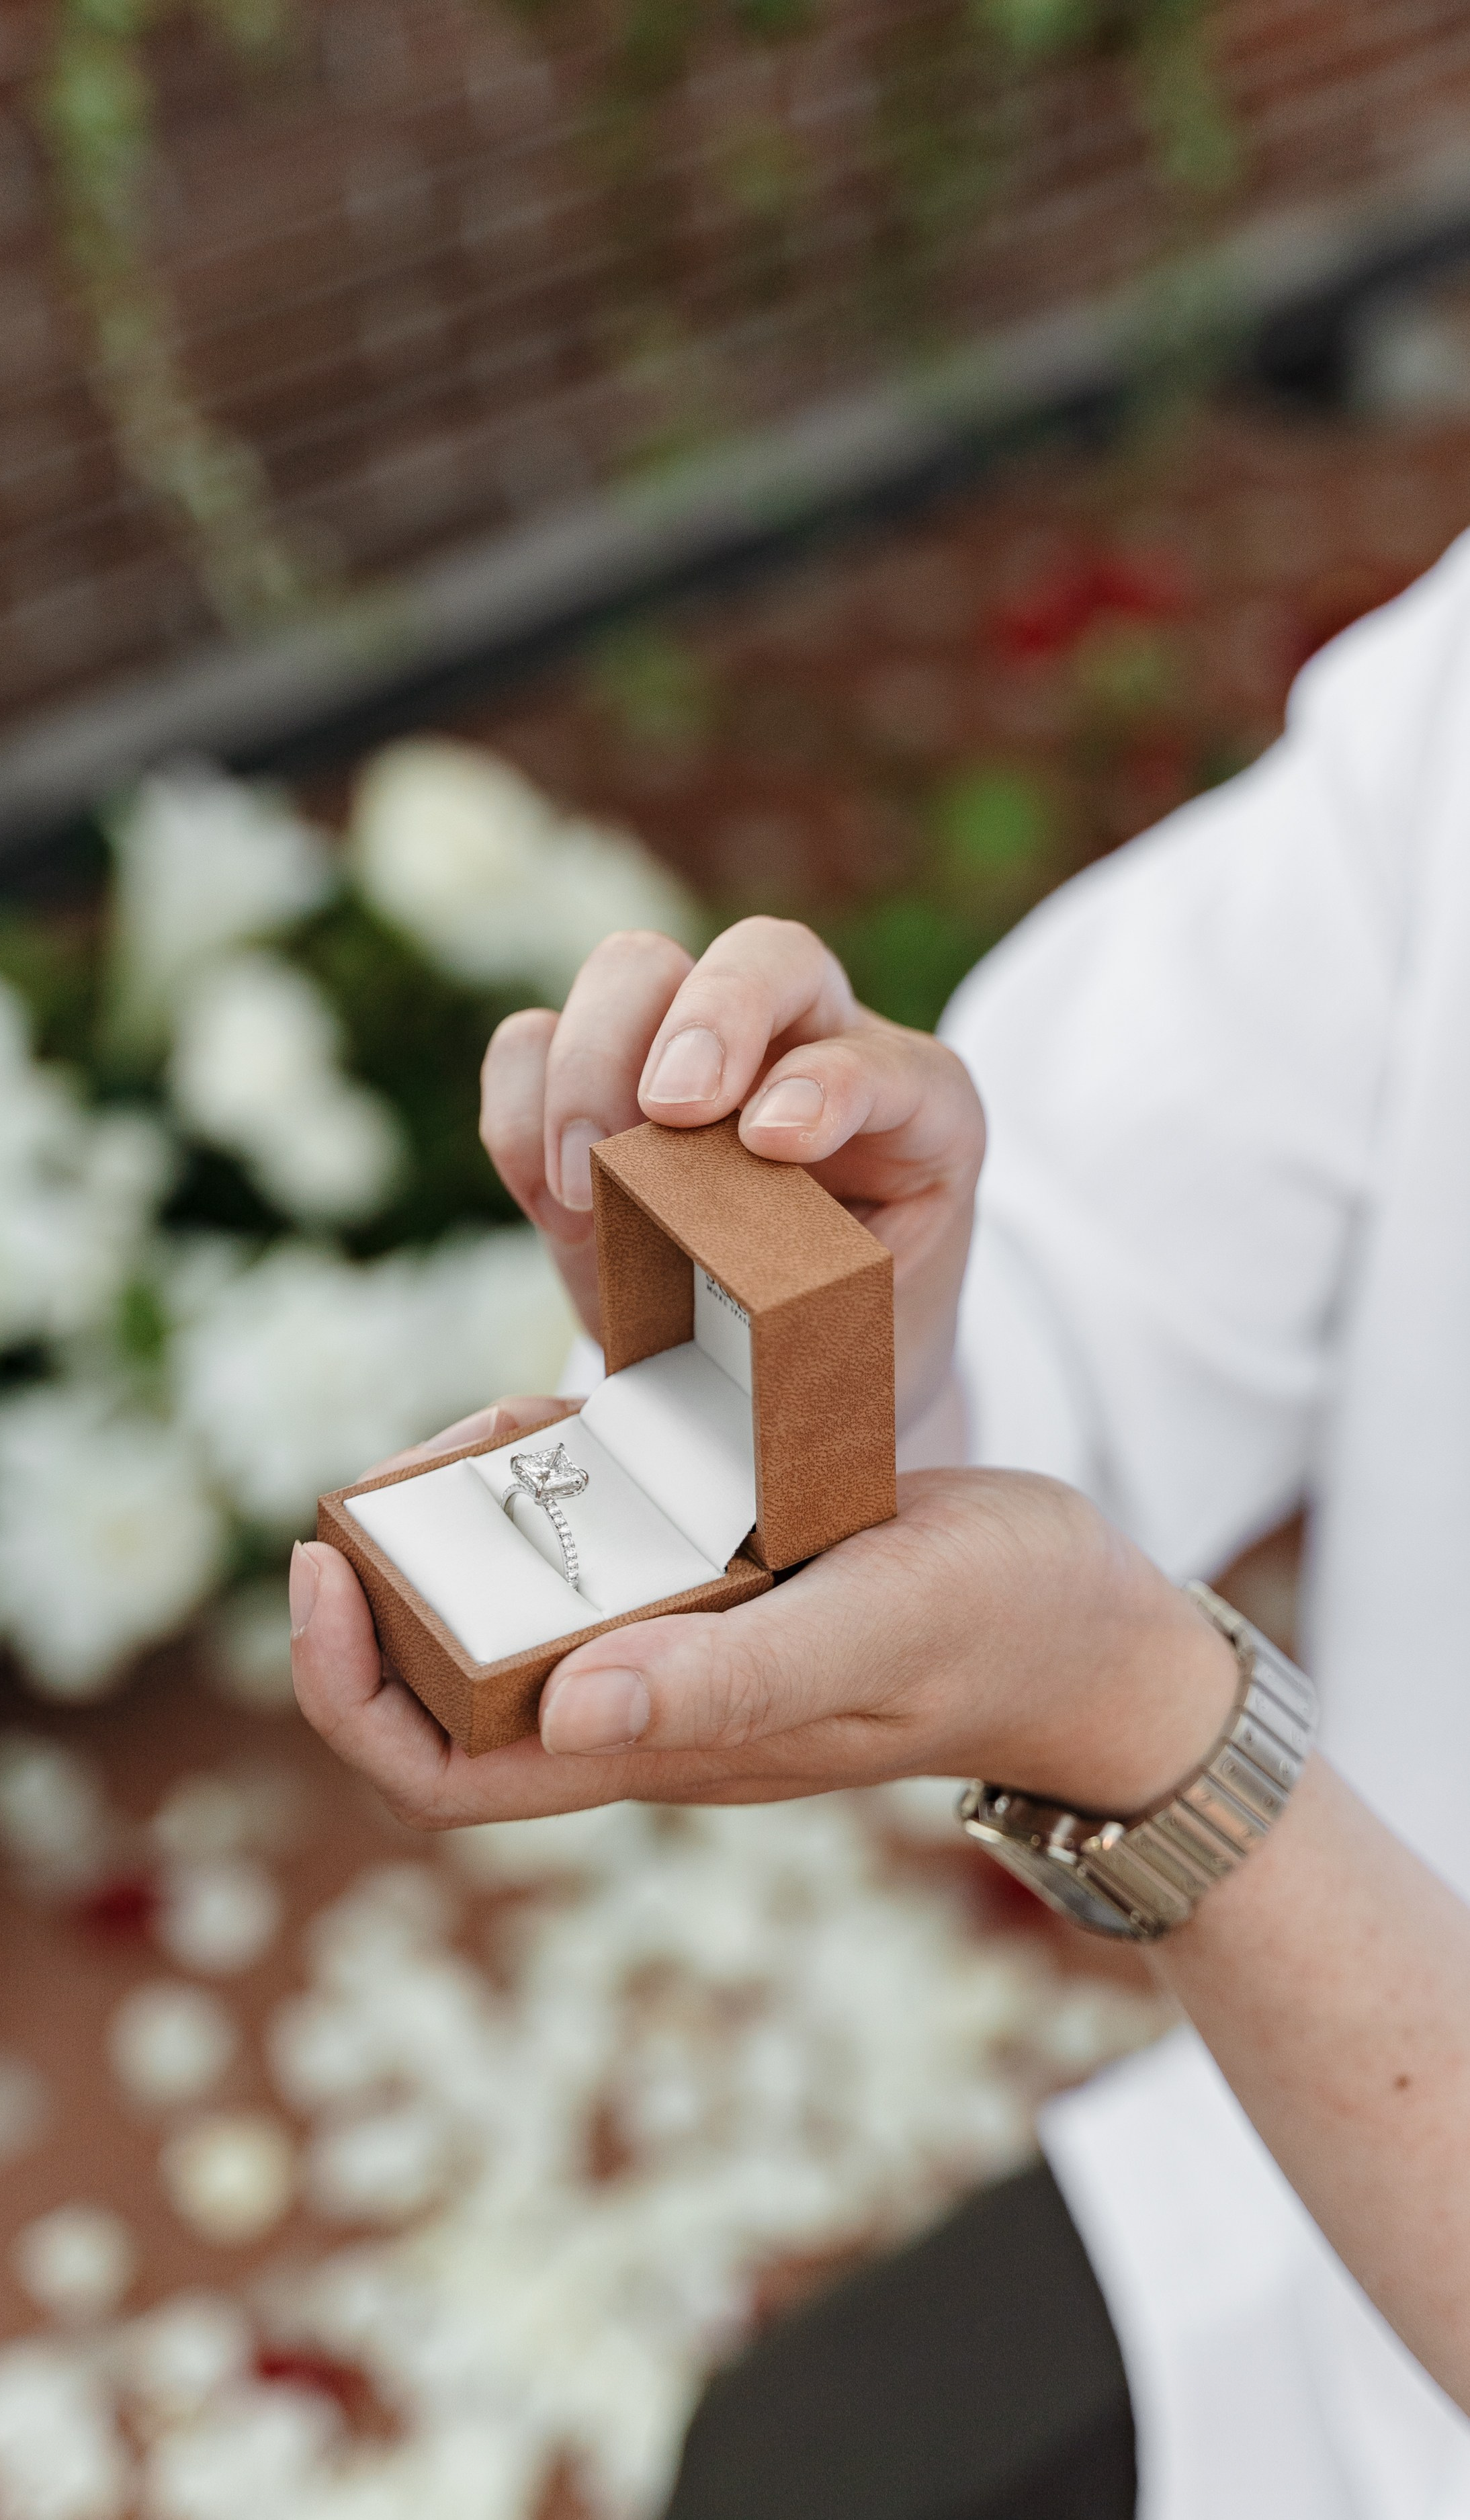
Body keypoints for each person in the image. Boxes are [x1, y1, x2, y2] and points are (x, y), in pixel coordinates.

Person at [290, 530, 1470, 2519]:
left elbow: (1110, 1678)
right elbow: (1129, 1231)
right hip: (1296, 2165)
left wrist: (1156, 1746)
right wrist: (854, 1350)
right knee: (783, 2472)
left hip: (1391, 2132)